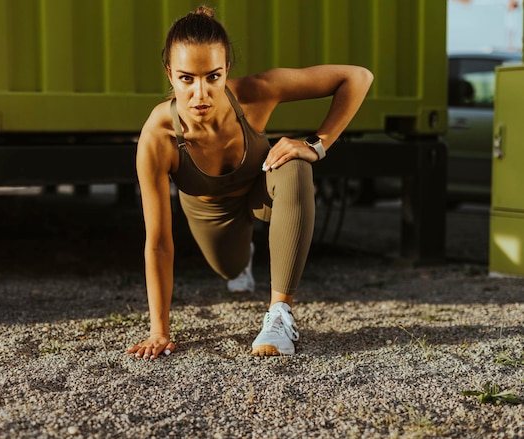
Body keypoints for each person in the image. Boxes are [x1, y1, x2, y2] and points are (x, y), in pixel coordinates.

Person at [127, 6, 372, 360]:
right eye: (186, 79)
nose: (201, 94)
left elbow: (357, 77)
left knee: (295, 163)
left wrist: (316, 146)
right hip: (214, 214)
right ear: (169, 73)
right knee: (228, 266)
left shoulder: (256, 93)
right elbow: (159, 243)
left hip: (262, 192)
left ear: (227, 68)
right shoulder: (158, 137)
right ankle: (244, 258)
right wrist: (158, 332)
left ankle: (279, 316)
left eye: (212, 76)